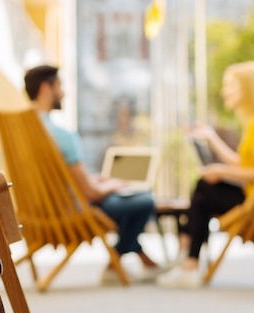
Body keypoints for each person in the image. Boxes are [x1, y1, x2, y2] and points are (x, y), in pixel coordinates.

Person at [23, 65, 165, 281]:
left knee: (122, 203)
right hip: (71, 211)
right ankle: (116, 262)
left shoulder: (22, 132)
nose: (64, 93)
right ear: (46, 88)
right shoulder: (62, 135)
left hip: (37, 210)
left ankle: (122, 264)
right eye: (60, 86)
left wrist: (97, 180)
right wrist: (114, 184)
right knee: (144, 200)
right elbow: (90, 193)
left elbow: (60, 179)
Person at [157, 61, 254, 288]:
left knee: (203, 190)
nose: (224, 91)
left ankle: (188, 258)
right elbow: (245, 163)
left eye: (230, 85)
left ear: (247, 89)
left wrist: (222, 171)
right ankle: (188, 254)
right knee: (204, 187)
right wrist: (211, 138)